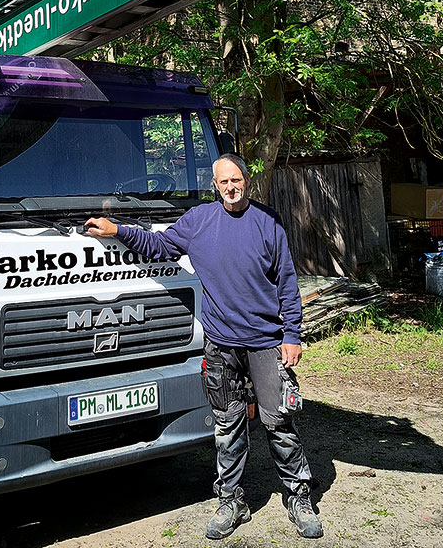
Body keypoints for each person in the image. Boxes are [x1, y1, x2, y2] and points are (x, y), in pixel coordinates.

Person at [84, 153, 323, 541]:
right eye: (223, 182)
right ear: (215, 185)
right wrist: (117, 230)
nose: (231, 187)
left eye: (237, 180)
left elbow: (287, 282)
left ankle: (298, 497)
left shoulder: (269, 222)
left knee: (279, 423)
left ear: (247, 180)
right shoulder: (198, 221)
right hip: (221, 347)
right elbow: (158, 246)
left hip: (265, 344)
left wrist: (292, 335)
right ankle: (231, 501)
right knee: (228, 428)